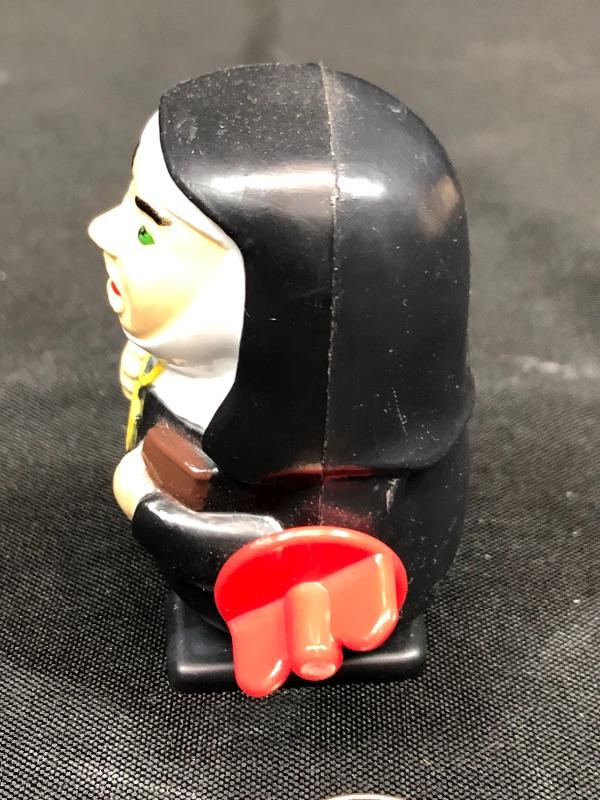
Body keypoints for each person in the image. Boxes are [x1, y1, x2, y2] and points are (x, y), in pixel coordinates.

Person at [88, 63, 473, 693]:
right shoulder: (222, 384)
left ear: (286, 294)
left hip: (287, 611)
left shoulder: (350, 469)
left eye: (147, 229)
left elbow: (260, 551)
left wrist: (145, 501)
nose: (103, 229)